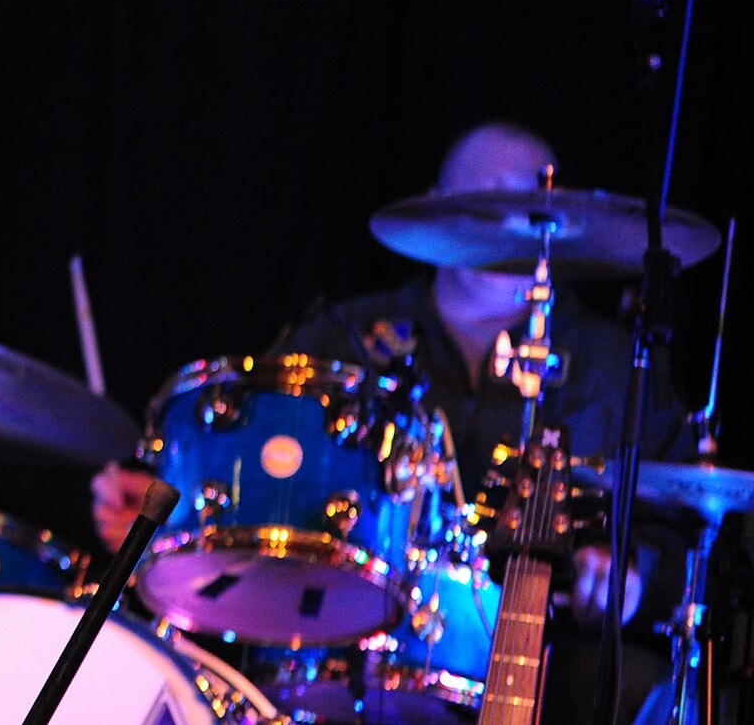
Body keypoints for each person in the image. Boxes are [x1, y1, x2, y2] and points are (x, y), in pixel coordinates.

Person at [91, 119, 695, 723]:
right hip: (349, 650)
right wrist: (168, 508)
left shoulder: (618, 368)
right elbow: (250, 468)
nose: (508, 225)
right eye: (486, 199)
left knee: (638, 690)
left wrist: (634, 571)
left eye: (529, 210)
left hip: (552, 654)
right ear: (436, 206)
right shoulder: (345, 341)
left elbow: (693, 524)